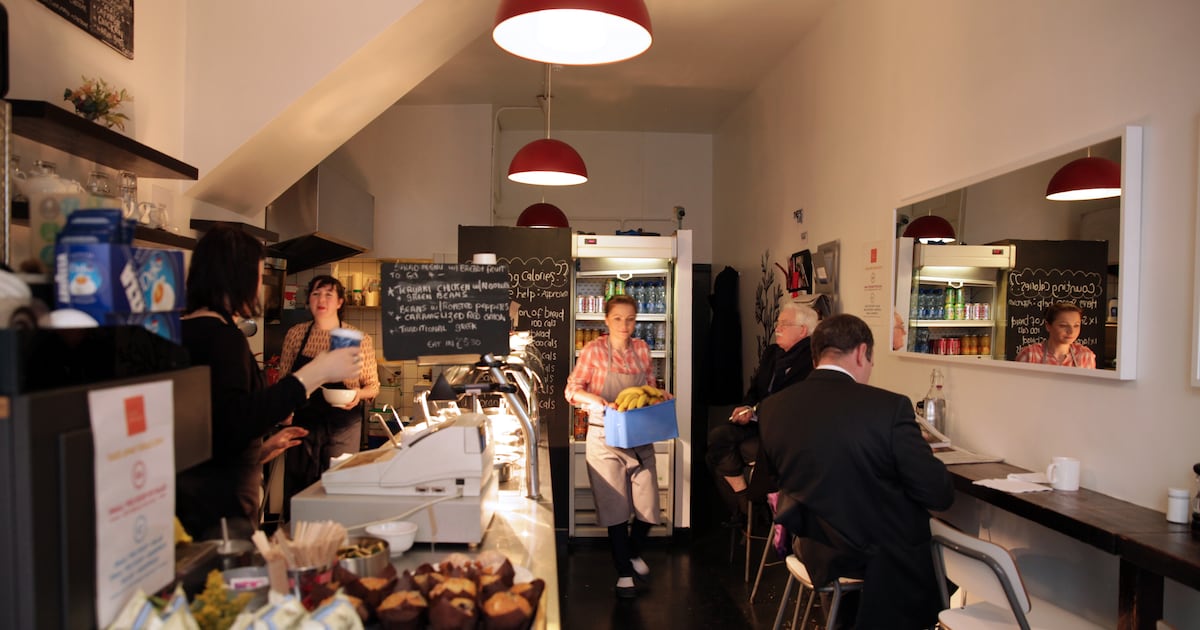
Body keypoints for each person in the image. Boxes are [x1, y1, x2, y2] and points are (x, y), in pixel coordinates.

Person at [759, 313, 954, 629]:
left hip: (810, 544)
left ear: (816, 353)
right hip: (874, 557)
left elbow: (773, 476)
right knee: (942, 557)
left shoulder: (773, 408)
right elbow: (938, 493)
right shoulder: (889, 408)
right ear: (863, 352)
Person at [176, 225, 361, 540]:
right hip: (219, 514)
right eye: (259, 277)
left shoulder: (185, 331)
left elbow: (216, 429)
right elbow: (237, 419)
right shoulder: (222, 339)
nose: (260, 287)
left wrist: (259, 451)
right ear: (238, 277)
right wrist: (317, 371)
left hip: (198, 502)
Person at [564, 294, 672, 599]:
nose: (624, 325)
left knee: (649, 507)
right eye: (617, 319)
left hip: (639, 434)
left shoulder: (642, 349)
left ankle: (631, 552)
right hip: (604, 435)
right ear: (606, 321)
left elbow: (649, 385)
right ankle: (623, 572)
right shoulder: (593, 351)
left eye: (630, 319)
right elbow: (571, 390)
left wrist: (660, 395)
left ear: (636, 321)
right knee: (615, 509)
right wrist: (596, 400)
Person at [706, 302, 818, 522]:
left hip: (783, 431)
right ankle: (746, 502)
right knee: (717, 440)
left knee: (738, 452)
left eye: (784, 324)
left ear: (803, 330)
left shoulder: (812, 360)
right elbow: (755, 389)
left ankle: (749, 515)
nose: (778, 327)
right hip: (756, 422)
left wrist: (756, 411)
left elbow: (792, 401)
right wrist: (747, 406)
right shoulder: (772, 353)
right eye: (778, 322)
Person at [279, 275, 380, 511]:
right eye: (315, 294)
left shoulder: (358, 339)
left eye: (328, 294)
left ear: (339, 302)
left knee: (339, 487)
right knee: (299, 491)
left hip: (343, 425)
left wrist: (358, 394)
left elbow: (372, 386)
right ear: (308, 302)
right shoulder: (296, 334)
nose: (321, 299)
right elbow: (286, 380)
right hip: (303, 422)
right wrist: (285, 411)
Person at [1015, 302, 1096, 368]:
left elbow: (1090, 387)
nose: (1071, 331)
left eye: (1076, 325)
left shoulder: (1085, 356)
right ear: (1048, 326)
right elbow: (1017, 385)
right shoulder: (1030, 354)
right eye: (1063, 325)